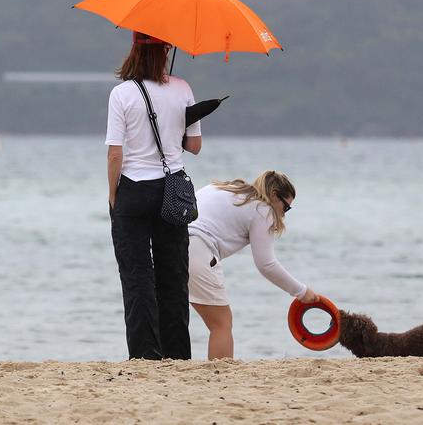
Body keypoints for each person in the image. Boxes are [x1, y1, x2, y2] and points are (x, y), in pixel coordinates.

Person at [106, 31, 202, 360]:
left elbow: (115, 154)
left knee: (137, 276)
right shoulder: (183, 88)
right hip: (171, 189)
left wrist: (113, 196)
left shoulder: (121, 93)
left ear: (134, 49)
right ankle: (177, 355)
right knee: (173, 274)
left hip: (133, 188)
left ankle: (146, 355)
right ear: (166, 50)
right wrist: (183, 119)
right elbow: (194, 146)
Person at [187, 170, 319, 359]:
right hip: (198, 249)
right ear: (274, 195)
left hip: (169, 245)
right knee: (222, 324)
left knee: (173, 315)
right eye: (286, 208)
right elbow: (266, 264)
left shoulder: (222, 187)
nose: (284, 214)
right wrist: (302, 291)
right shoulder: (262, 209)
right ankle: (219, 379)